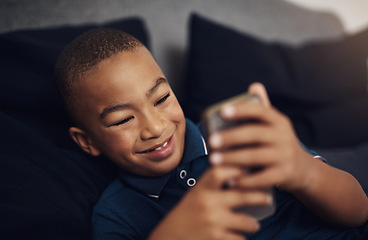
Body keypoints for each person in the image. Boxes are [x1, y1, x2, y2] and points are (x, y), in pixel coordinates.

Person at [54, 28, 368, 240]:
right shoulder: (116, 216)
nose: (154, 127)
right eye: (123, 119)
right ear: (87, 141)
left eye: (162, 99)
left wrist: (304, 172)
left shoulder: (243, 133)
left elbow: (358, 212)